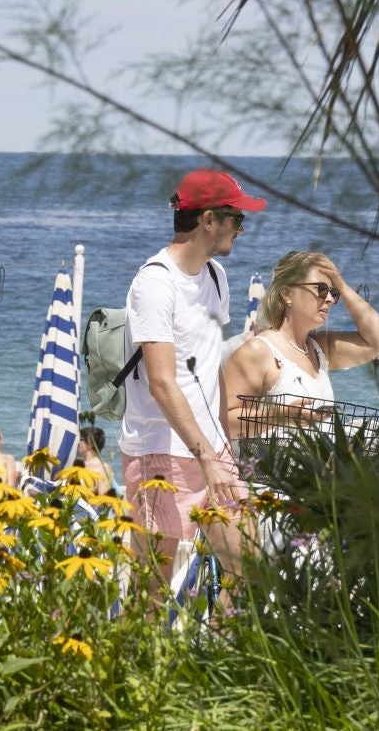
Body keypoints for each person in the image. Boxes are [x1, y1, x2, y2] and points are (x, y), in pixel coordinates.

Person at [120, 168, 266, 590]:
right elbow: (162, 383)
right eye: (237, 219)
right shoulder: (154, 283)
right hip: (160, 454)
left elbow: (208, 366)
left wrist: (222, 446)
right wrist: (205, 453)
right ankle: (141, 657)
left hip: (211, 449)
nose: (241, 229)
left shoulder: (216, 276)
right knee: (150, 595)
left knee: (249, 572)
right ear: (208, 221)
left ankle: (221, 651)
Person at [223, 251, 379, 434]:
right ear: (287, 293)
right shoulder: (259, 351)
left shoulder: (319, 348)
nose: (330, 299)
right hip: (277, 462)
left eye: (334, 293)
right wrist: (282, 416)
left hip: (321, 460)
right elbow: (224, 420)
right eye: (321, 289)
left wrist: (341, 284)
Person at [77, 426, 115, 495]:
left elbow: (102, 498)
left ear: (90, 444)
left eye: (79, 440)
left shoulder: (103, 468)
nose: (77, 443)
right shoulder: (76, 465)